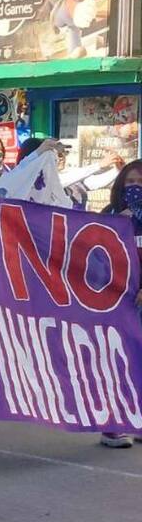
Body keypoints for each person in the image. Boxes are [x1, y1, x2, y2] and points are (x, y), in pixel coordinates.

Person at [98, 159, 142, 448]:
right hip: (117, 300)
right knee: (117, 362)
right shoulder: (111, 215)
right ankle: (112, 424)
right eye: (130, 183)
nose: (135, 188)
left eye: (141, 183)